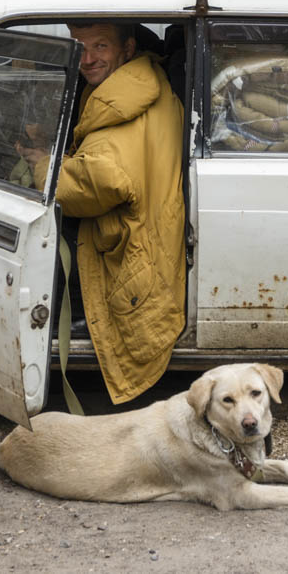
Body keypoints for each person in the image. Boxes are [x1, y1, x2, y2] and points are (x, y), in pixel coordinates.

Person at [44, 22, 185, 404]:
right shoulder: (139, 79)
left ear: (127, 48)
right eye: (80, 47)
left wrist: (43, 168)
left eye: (100, 46)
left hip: (135, 247)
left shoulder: (123, 98)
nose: (87, 58)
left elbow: (99, 184)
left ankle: (76, 321)